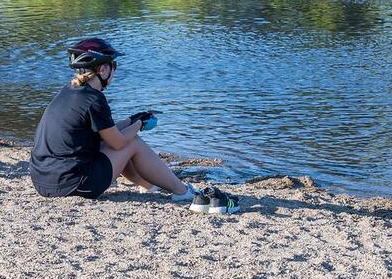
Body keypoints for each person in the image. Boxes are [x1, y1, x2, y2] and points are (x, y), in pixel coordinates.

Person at [28, 37, 240, 214]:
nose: (115, 71)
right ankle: (181, 191)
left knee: (122, 141)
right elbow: (118, 142)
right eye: (114, 66)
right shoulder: (94, 100)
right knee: (132, 144)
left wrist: (131, 120)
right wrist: (138, 125)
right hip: (74, 184)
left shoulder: (70, 92)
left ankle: (148, 186)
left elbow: (106, 133)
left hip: (43, 181)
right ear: (102, 69)